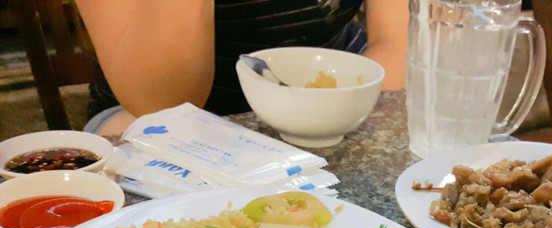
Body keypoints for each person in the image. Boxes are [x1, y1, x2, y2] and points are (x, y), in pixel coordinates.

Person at [75, 0, 408, 136]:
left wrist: (327, 114)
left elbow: (399, 43)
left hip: (336, 94)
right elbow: (161, 101)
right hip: (151, 111)